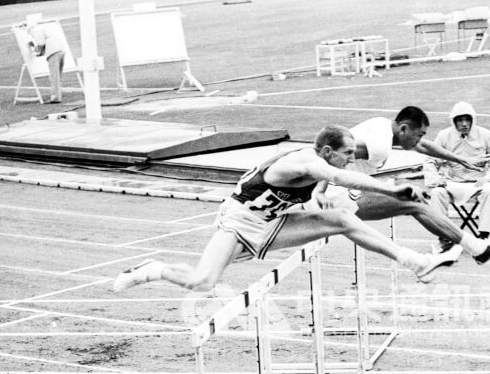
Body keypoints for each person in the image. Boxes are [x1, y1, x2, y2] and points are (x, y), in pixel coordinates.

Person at [113, 125, 459, 294]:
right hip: (238, 222)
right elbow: (338, 176)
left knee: (341, 219)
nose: (353, 158)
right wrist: (391, 188)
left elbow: (333, 180)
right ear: (326, 151)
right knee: (202, 281)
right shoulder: (300, 163)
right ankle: (152, 269)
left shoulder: (321, 162)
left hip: (272, 223)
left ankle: (413, 261)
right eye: (349, 152)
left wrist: (323, 199)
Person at [310, 106, 490, 265]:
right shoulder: (379, 145)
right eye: (419, 134)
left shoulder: (386, 127)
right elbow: (333, 155)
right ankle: (475, 248)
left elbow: (424, 146)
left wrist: (459, 159)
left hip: (347, 188)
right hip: (337, 196)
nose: (420, 140)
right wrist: (320, 191)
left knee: (417, 201)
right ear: (404, 129)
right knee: (414, 202)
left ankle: (472, 247)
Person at [424, 101, 490, 253]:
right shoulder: (444, 136)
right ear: (454, 121)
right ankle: (444, 238)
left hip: (478, 183)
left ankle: (483, 237)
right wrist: (436, 180)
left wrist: (489, 178)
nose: (464, 124)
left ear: (472, 120)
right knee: (436, 193)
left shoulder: (485, 135)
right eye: (460, 120)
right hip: (452, 183)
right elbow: (430, 159)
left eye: (467, 119)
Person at [26, 18, 65, 104]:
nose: (32, 36)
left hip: (53, 52)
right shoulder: (45, 30)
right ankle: (58, 95)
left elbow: (41, 43)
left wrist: (36, 50)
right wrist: (38, 51)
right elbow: (44, 45)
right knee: (57, 75)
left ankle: (55, 98)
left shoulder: (35, 30)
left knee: (54, 76)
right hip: (60, 50)